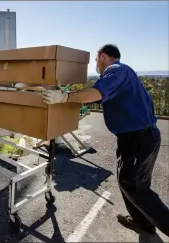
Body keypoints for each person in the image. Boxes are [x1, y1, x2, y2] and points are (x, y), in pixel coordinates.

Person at [42, 44, 169, 236]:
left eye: (95, 60)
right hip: (135, 138)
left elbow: (97, 92)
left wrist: (65, 97)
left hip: (139, 138)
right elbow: (96, 96)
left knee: (133, 185)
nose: (96, 64)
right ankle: (142, 223)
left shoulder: (116, 70)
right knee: (129, 182)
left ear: (102, 56)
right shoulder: (122, 74)